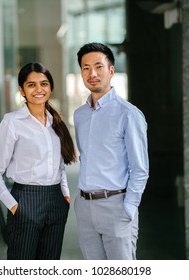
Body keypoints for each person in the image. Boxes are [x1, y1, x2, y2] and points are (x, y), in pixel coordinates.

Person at [0, 62, 76, 260]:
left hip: (55, 202)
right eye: (31, 85)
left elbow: (60, 166)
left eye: (43, 83)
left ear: (50, 87)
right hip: (25, 200)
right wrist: (14, 205)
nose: (39, 89)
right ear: (22, 90)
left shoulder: (56, 122)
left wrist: (65, 196)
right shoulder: (12, 122)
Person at [73, 42, 149, 260]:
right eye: (86, 68)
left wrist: (128, 208)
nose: (92, 73)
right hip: (85, 208)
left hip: (116, 206)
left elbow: (140, 168)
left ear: (111, 70)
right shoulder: (80, 115)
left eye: (98, 66)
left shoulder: (129, 114)